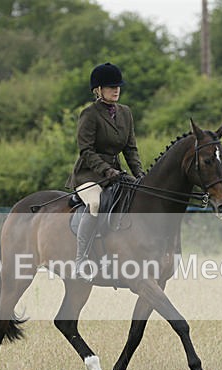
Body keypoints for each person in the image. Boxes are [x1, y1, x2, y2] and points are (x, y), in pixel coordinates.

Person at [66, 62, 145, 279]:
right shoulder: (89, 114)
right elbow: (86, 150)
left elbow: (130, 149)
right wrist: (106, 171)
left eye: (118, 85)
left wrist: (139, 174)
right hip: (89, 174)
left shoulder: (126, 113)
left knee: (133, 198)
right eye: (111, 86)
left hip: (116, 173)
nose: (116, 89)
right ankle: (81, 260)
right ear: (98, 90)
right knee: (96, 203)